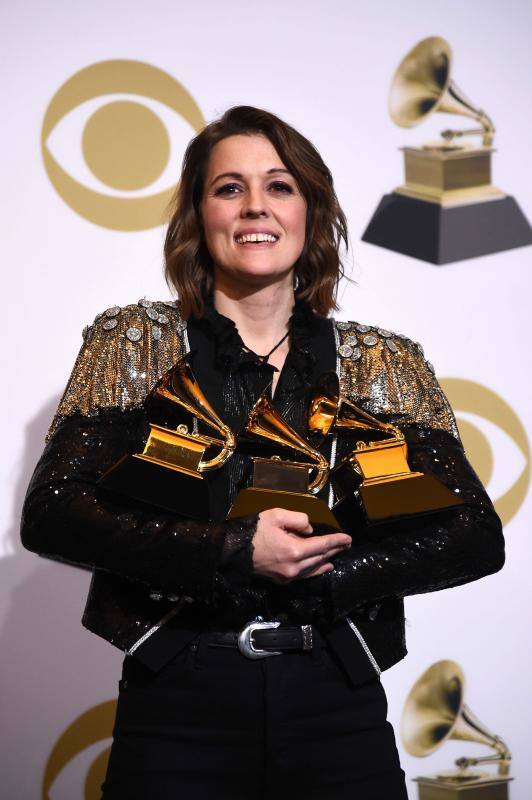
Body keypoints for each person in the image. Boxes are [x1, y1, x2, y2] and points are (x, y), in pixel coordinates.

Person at [21, 105, 505, 800]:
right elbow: (55, 512)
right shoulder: (135, 342)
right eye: (229, 188)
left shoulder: (381, 361)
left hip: (337, 700)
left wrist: (329, 576)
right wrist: (231, 549)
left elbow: (473, 535)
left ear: (311, 212)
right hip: (177, 701)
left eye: (279, 186)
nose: (256, 206)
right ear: (199, 215)